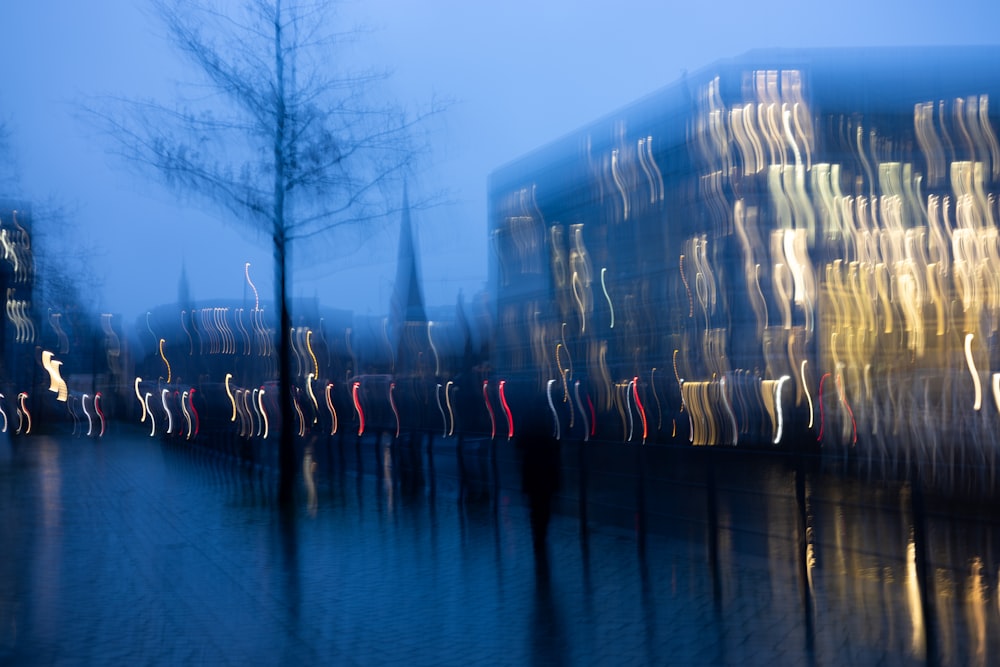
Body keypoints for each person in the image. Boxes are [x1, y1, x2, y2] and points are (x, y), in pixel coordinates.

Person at [518, 404, 561, 572]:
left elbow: (519, 445)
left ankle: (538, 536)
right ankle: (541, 535)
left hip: (532, 472)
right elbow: (556, 449)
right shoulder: (548, 427)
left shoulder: (528, 429)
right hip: (546, 472)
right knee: (544, 506)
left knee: (535, 508)